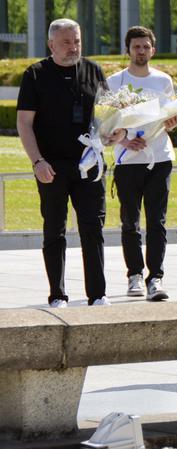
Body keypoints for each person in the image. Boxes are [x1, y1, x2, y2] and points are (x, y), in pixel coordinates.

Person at [16, 18, 123, 308]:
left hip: (89, 164)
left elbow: (108, 116)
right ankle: (57, 294)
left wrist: (115, 135)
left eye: (76, 41)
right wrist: (37, 161)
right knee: (54, 229)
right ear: (51, 44)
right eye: (66, 42)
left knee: (93, 228)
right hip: (51, 165)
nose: (73, 47)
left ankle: (98, 294)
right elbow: (24, 124)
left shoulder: (93, 70)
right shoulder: (35, 74)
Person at [107, 27, 177, 302]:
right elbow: (106, 123)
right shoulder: (115, 82)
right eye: (136, 47)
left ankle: (156, 278)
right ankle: (134, 275)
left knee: (157, 221)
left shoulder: (164, 81)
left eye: (145, 47)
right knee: (130, 221)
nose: (141, 51)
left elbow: (169, 118)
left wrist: (173, 123)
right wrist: (125, 139)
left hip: (160, 158)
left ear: (153, 49)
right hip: (127, 161)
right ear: (127, 50)